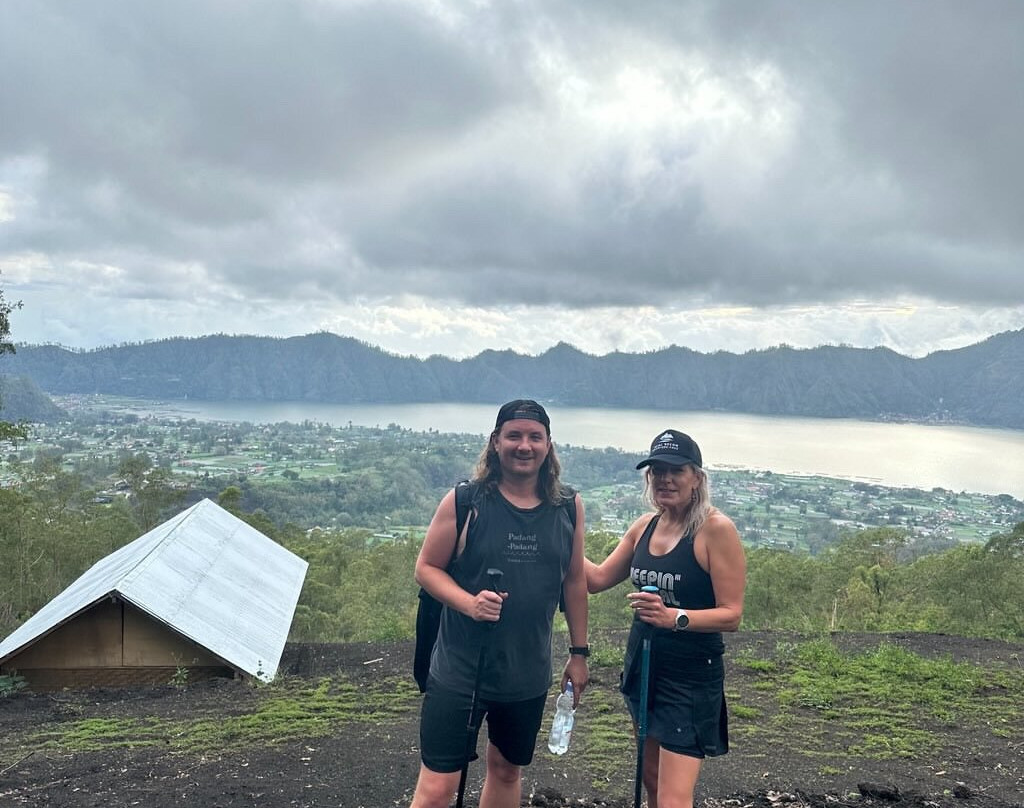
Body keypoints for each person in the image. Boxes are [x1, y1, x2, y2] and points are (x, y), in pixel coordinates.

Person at [410, 399, 590, 808]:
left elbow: (574, 579)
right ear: (495, 442)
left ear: (548, 445)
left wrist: (579, 653)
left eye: (534, 437)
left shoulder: (567, 506)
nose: (524, 446)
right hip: (459, 671)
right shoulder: (465, 502)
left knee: (508, 771)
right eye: (514, 436)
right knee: (438, 788)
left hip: (526, 673)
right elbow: (426, 568)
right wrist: (469, 603)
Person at [585, 429, 746, 808]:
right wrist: (559, 535)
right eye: (657, 471)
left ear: (697, 478)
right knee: (652, 779)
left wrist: (674, 617)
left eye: (676, 471)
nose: (665, 479)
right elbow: (597, 579)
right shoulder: (645, 526)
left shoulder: (715, 530)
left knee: (674, 797)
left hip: (689, 675)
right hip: (643, 667)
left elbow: (732, 614)